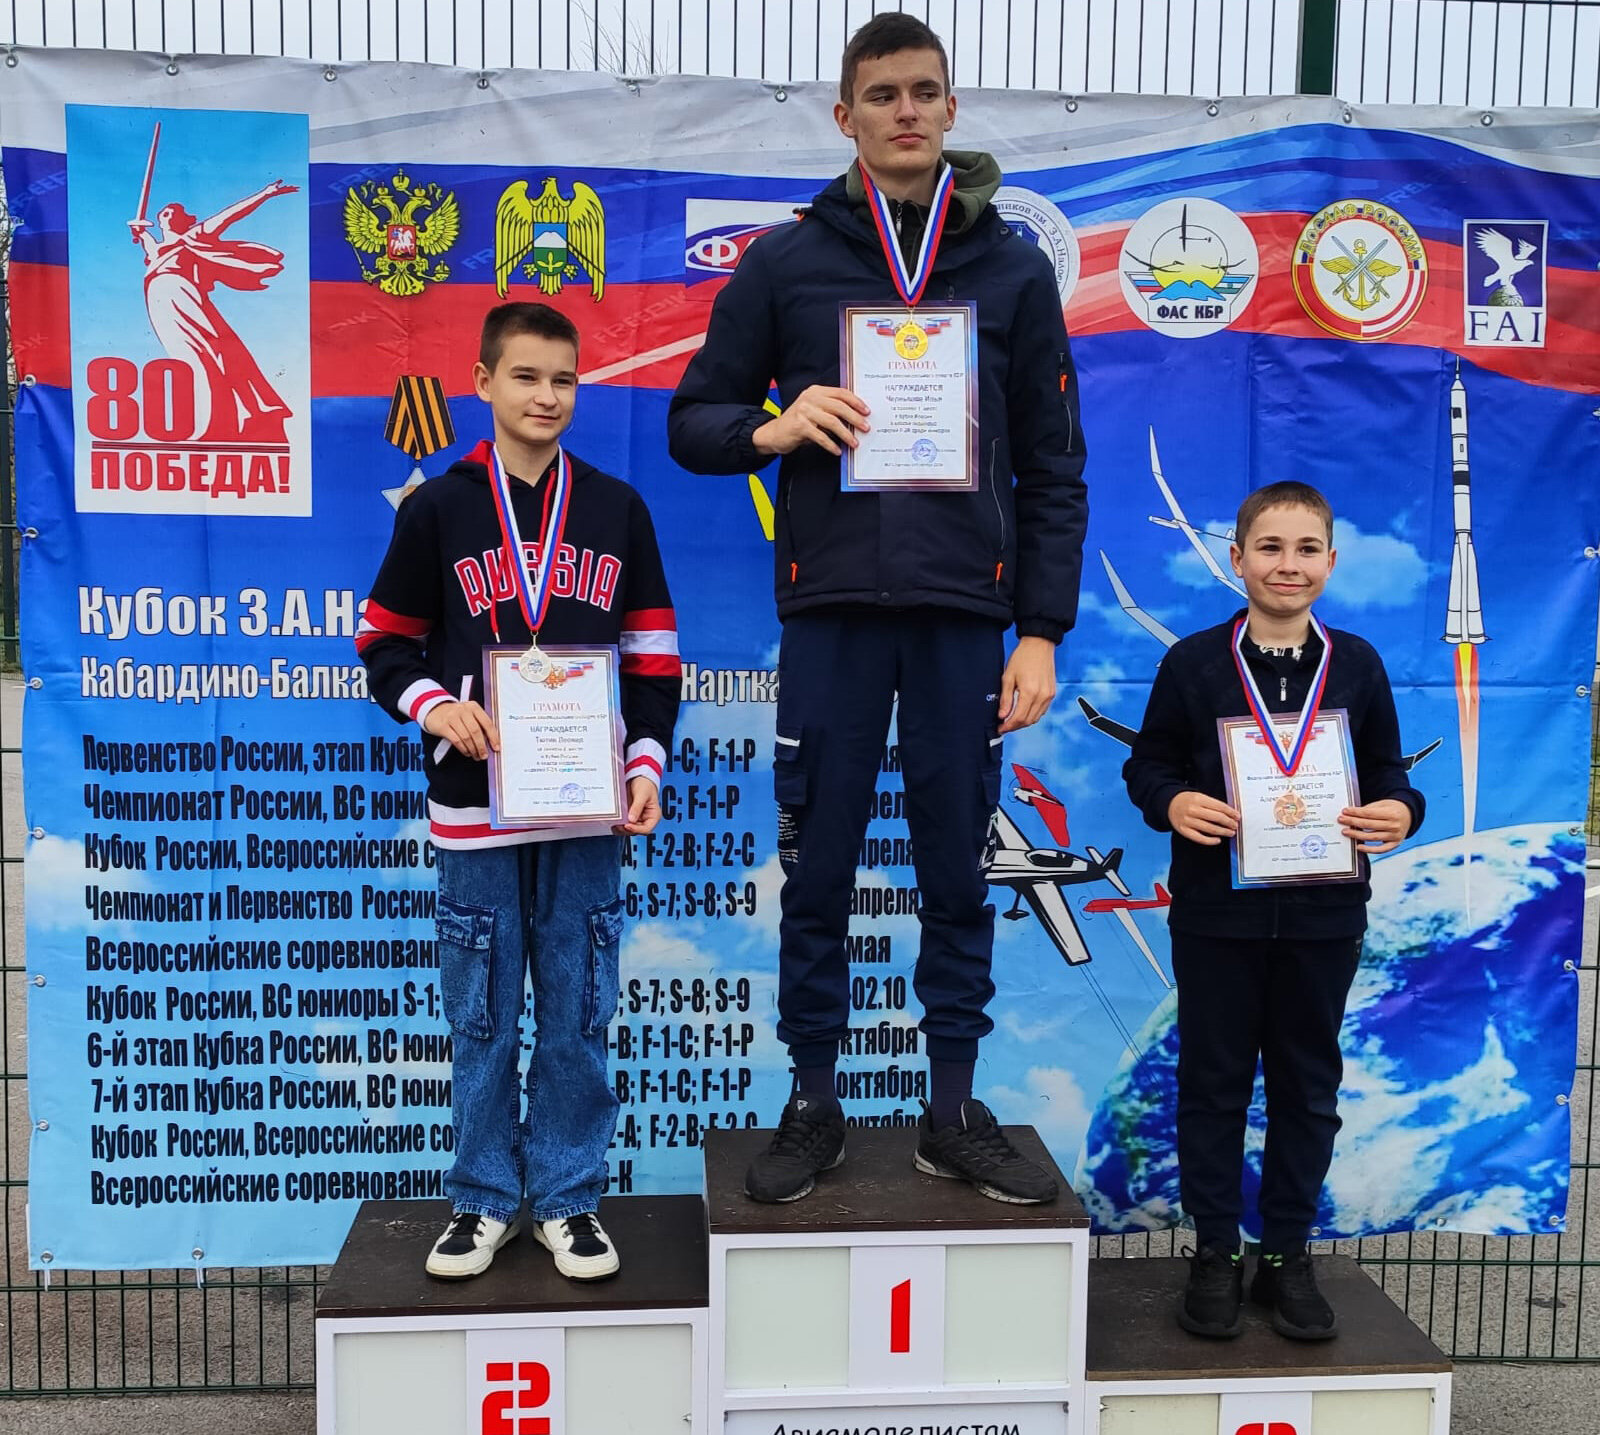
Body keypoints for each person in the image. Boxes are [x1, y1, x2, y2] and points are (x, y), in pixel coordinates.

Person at [668, 13, 1088, 1206]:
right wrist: (775, 427)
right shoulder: (786, 263)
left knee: (959, 869)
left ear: (951, 110)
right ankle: (813, 1101)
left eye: (924, 91)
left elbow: (1054, 465)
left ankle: (950, 1108)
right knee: (819, 870)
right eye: (883, 93)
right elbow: (691, 420)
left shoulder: (1010, 270)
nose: (906, 110)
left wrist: (1040, 630)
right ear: (843, 114)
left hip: (962, 617)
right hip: (834, 614)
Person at [356, 302, 680, 1280]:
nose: (547, 396)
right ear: (484, 381)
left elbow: (653, 655)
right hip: (474, 806)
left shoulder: (616, 508)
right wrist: (435, 706)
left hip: (586, 806)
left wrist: (645, 762)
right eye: (527, 376)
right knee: (483, 1015)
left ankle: (570, 1197)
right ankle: (484, 1197)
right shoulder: (438, 509)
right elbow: (383, 642)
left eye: (563, 379)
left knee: (579, 1011)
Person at [1122, 481, 1424, 1340]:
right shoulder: (1194, 663)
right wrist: (1172, 800)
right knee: (1212, 1085)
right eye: (1270, 547)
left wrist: (1402, 811)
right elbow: (1147, 765)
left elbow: (1390, 772)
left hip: (1325, 919)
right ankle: (1215, 1252)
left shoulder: (1357, 664)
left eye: (1306, 549)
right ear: (1237, 558)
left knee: (1307, 1088)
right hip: (1216, 918)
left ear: (1331, 561)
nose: (1288, 564)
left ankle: (1286, 1253)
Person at [128, 181, 299, 444]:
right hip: (160, 302)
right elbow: (150, 245)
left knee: (209, 351)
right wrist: (140, 232)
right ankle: (208, 419)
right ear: (160, 221)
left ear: (184, 220)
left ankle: (228, 417)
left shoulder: (194, 236)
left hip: (183, 295)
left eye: (174, 212)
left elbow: (229, 215)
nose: (168, 215)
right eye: (165, 213)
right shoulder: (156, 249)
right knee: (186, 355)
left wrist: (265, 194)